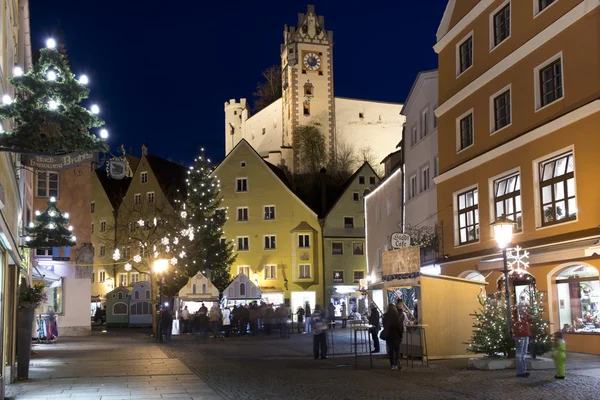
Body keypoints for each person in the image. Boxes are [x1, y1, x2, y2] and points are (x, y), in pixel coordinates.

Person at [513, 300, 532, 378]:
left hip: (525, 334)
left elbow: (529, 319)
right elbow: (518, 322)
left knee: (523, 352)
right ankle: (520, 371)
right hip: (520, 335)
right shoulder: (517, 314)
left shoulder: (524, 313)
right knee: (520, 353)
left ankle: (523, 370)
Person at [382, 304, 403, 370]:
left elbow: (384, 325)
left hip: (389, 335)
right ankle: (398, 360)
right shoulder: (397, 315)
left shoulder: (385, 316)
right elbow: (399, 326)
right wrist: (400, 335)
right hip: (396, 335)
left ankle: (392, 364)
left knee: (391, 350)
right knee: (397, 349)